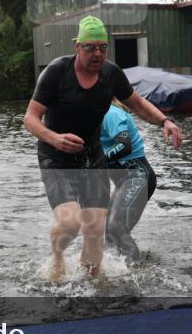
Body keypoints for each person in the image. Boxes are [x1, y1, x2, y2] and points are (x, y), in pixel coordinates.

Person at [23, 15, 182, 281]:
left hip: (91, 157)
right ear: (78, 47)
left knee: (96, 230)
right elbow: (30, 118)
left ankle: (94, 284)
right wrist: (54, 138)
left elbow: (139, 105)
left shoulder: (111, 74)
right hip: (56, 157)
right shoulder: (57, 71)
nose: (97, 54)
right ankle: (58, 259)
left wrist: (164, 121)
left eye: (102, 47)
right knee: (71, 223)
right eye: (91, 48)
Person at [101, 104, 157, 263]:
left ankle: (136, 273)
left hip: (138, 176)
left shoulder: (111, 113)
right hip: (122, 182)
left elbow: (124, 145)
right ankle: (112, 271)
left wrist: (98, 161)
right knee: (108, 234)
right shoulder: (92, 116)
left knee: (116, 227)